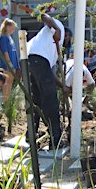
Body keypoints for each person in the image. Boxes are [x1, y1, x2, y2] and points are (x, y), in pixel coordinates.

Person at [26, 13, 65, 149]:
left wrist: (63, 86)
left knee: (37, 99)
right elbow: (44, 16)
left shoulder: (49, 47)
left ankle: (31, 134)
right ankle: (55, 139)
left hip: (30, 61)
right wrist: (57, 29)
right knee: (50, 101)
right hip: (37, 59)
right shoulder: (59, 27)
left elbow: (50, 73)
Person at [0, 18, 19, 103]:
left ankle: (9, 100)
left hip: (13, 63)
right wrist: (8, 63)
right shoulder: (3, 38)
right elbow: (5, 51)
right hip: (7, 64)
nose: (13, 30)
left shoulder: (10, 37)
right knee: (6, 82)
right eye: (12, 28)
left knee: (10, 82)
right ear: (7, 27)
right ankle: (5, 101)